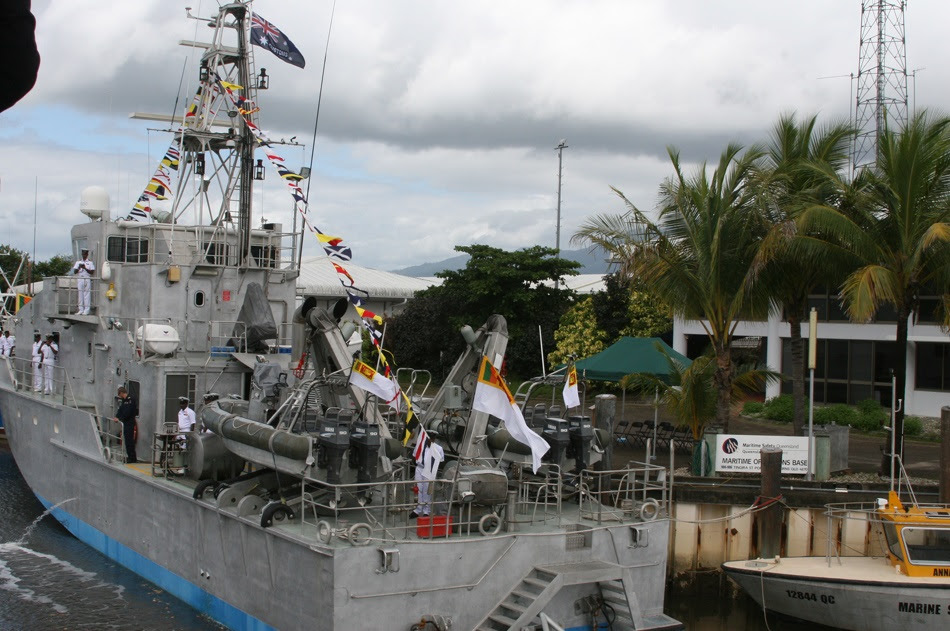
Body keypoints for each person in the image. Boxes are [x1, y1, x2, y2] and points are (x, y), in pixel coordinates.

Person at [113, 386, 138, 463]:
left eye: (119, 394)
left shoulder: (131, 400)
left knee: (129, 441)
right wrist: (117, 416)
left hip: (129, 423)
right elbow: (121, 410)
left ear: (121, 393)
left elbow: (128, 412)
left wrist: (120, 418)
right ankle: (129, 456)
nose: (119, 396)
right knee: (127, 440)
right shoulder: (124, 401)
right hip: (126, 423)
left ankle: (132, 458)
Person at [72, 249, 95, 315]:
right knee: (80, 294)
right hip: (80, 278)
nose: (84, 255)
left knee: (86, 295)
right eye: (83, 254)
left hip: (86, 278)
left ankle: (86, 310)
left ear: (87, 254)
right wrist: (79, 267)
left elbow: (92, 272)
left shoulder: (90, 263)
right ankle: (81, 310)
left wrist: (85, 268)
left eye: (85, 254)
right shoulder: (78, 262)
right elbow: (75, 272)